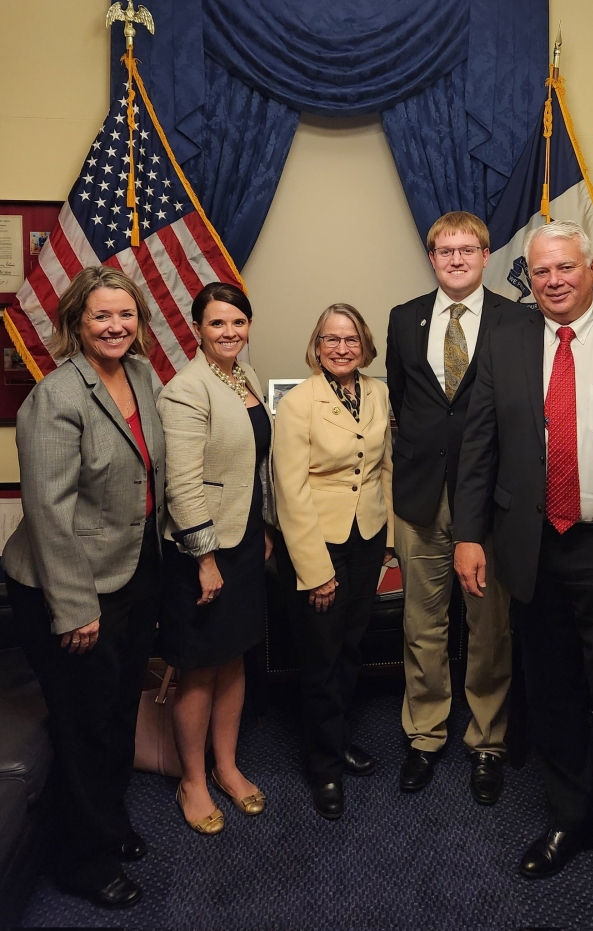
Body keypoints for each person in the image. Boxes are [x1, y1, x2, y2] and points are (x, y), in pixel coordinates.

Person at [453, 220, 593, 928]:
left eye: (565, 268)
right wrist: (467, 534)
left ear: (589, 267)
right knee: (548, 690)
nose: (553, 281)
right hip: (532, 546)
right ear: (530, 276)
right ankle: (568, 818)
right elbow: (480, 440)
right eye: (541, 271)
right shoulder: (507, 338)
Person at [2, 266, 165, 909]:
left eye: (125, 315)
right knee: (83, 722)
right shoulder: (55, 398)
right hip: (66, 584)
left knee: (120, 710)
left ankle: (108, 821)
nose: (115, 326)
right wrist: (73, 609)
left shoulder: (144, 375)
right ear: (75, 324)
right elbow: (47, 511)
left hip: (132, 569)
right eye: (101, 316)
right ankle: (81, 859)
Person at [386, 210, 516, 803]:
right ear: (432, 258)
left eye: (468, 250)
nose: (457, 259)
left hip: (488, 499)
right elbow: (404, 399)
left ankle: (487, 740)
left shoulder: (519, 320)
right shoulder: (403, 318)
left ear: (486, 256)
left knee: (488, 628)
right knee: (422, 624)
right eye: (445, 251)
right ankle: (425, 734)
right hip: (419, 497)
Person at [157, 282, 273, 834]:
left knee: (235, 657)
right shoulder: (186, 389)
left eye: (238, 322)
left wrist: (262, 527)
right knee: (199, 667)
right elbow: (182, 485)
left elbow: (247, 467)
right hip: (201, 551)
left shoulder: (244, 377)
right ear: (197, 330)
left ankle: (227, 766)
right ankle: (193, 780)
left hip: (245, 541)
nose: (229, 333)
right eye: (217, 324)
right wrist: (205, 559)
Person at [273, 303, 394, 820]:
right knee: (321, 656)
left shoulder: (378, 391)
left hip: (366, 536)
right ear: (316, 346)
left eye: (350, 339)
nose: (341, 348)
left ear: (364, 344)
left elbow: (383, 467)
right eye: (330, 339)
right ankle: (323, 766)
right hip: (318, 542)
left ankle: (338, 736)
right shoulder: (300, 402)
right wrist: (314, 570)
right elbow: (290, 490)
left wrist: (386, 535)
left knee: (350, 645)